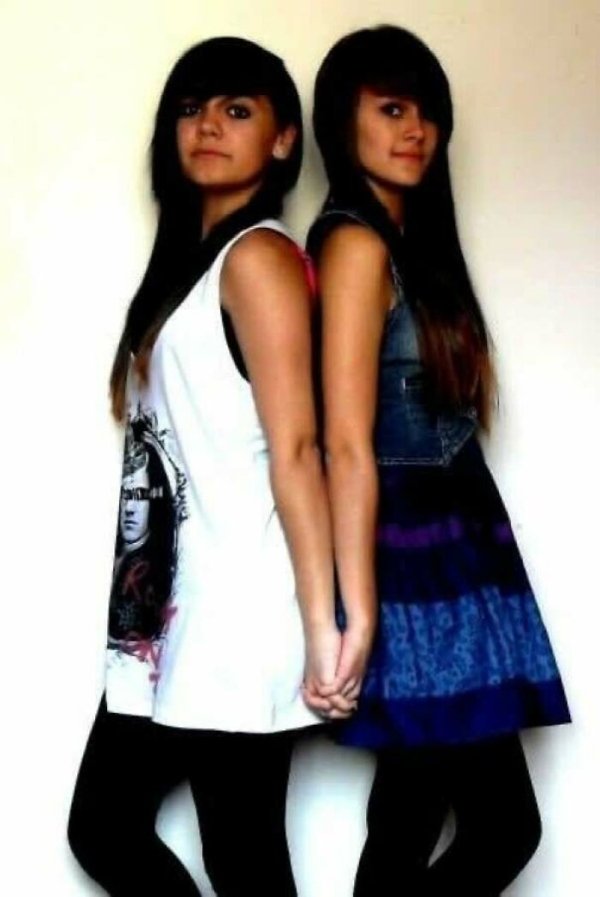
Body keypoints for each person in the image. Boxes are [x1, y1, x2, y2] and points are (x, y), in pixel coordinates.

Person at [68, 36, 346, 897]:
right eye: (190, 110)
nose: (207, 127)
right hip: (175, 616)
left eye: (236, 109)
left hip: (239, 611)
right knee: (120, 829)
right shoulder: (194, 269)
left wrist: (323, 627)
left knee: (239, 858)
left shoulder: (257, 259)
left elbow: (297, 448)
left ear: (284, 140)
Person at [305, 25, 571, 896]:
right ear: (341, 123)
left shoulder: (404, 241)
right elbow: (347, 439)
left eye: (428, 113)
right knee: (496, 824)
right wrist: (359, 611)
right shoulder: (356, 244)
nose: (416, 130)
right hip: (410, 557)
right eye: (391, 109)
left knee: (411, 812)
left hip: (450, 544)